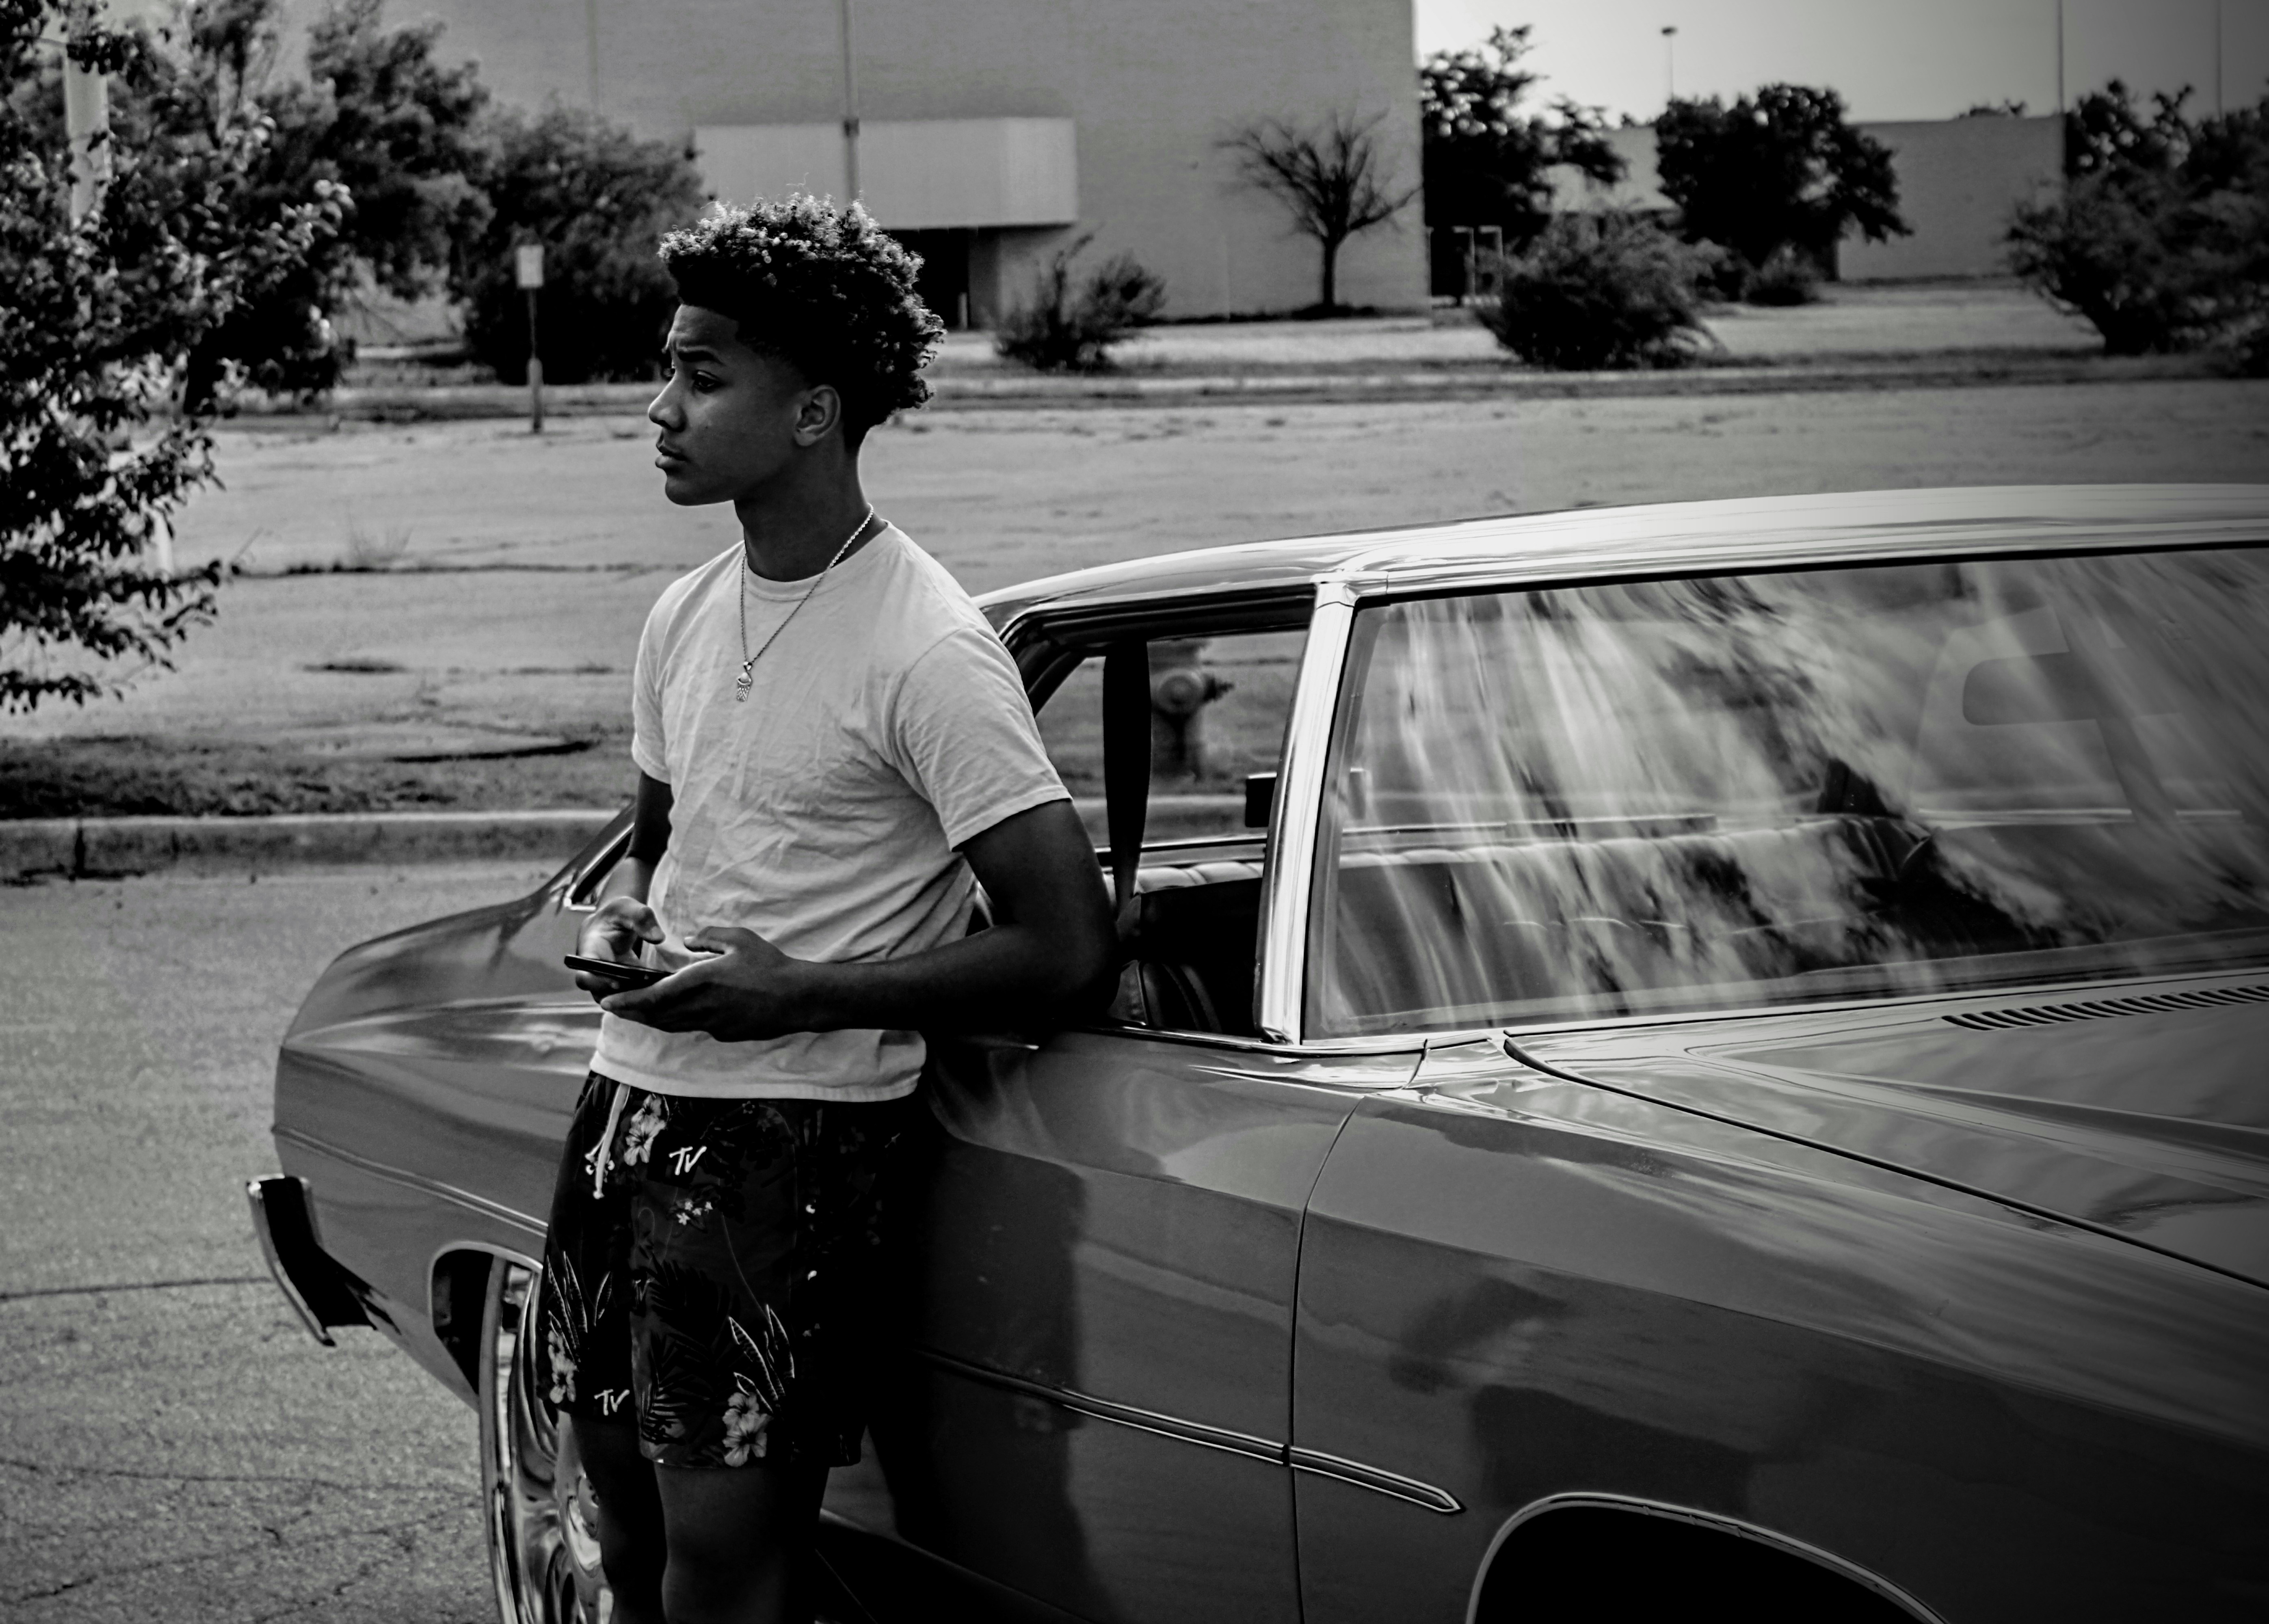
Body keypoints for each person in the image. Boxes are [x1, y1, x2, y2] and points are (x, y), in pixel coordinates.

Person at [541, 196, 1118, 1624]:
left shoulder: (928, 650)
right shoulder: (683, 612)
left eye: (700, 376)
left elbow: (1063, 945)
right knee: (616, 1522)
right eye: (665, 370)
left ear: (813, 411)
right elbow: (670, 858)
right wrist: (627, 933)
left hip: (787, 1139)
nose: (658, 408)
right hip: (628, 1104)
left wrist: (796, 991)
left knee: (727, 1569)